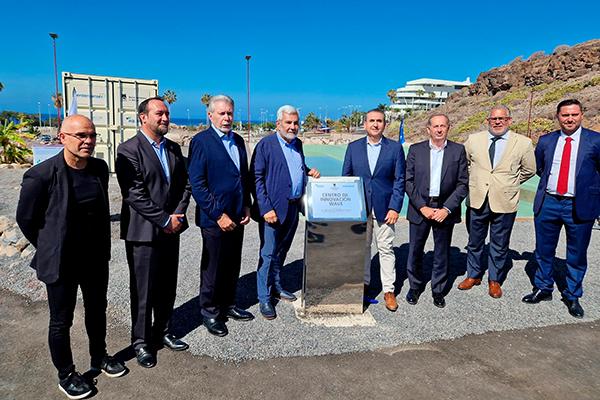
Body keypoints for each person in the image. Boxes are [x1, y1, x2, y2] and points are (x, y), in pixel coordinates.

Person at [16, 115, 125, 399]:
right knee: (61, 321)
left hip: (95, 259)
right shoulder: (41, 175)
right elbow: (26, 219)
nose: (88, 141)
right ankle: (66, 374)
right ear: (62, 138)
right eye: (81, 136)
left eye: (92, 135)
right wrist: (50, 246)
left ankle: (99, 356)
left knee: (97, 311)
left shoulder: (99, 169)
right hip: (62, 262)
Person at [115, 97, 191, 369]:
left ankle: (164, 331)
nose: (165, 118)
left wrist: (177, 215)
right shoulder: (128, 149)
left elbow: (185, 184)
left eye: (167, 113)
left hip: (171, 230)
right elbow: (134, 194)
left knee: (167, 285)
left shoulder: (172, 148)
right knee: (143, 290)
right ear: (143, 117)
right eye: (159, 113)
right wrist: (164, 219)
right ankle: (141, 342)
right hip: (143, 233)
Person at [522, 99, 600, 318]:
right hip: (549, 202)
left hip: (578, 203)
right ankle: (543, 287)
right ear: (558, 117)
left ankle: (572, 295)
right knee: (543, 249)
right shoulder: (546, 141)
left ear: (581, 115)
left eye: (574, 114)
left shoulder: (595, 140)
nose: (570, 119)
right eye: (565, 115)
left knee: (576, 253)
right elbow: (540, 167)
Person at [188, 94, 254, 337]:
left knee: (232, 263)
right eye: (222, 113)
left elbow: (242, 177)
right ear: (210, 115)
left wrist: (246, 205)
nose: (227, 118)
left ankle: (228, 304)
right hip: (215, 218)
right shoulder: (201, 142)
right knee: (213, 267)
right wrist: (218, 215)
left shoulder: (238, 140)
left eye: (230, 113)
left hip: (237, 214)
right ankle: (210, 311)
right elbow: (197, 184)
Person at [250, 105, 320, 319]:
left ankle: (277, 286)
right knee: (268, 254)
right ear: (278, 123)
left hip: (292, 207)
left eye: (296, 123)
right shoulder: (265, 145)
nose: (292, 127)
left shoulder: (297, 144)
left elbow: (295, 166)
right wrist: (266, 208)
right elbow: (256, 178)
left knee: (282, 251)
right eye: (288, 122)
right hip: (273, 211)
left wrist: (308, 171)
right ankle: (264, 297)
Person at [458, 105, 536, 298]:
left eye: (502, 118)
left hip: (505, 200)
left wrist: (509, 183)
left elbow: (529, 169)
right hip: (477, 199)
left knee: (499, 243)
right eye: (494, 119)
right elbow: (464, 164)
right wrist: (476, 179)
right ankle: (473, 275)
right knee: (474, 241)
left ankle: (495, 279)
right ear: (488, 121)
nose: (498, 122)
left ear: (509, 120)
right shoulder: (473, 140)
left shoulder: (523, 143)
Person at [342, 108, 405, 311]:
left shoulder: (395, 148)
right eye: (372, 121)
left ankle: (389, 290)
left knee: (386, 248)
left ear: (384, 124)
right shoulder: (353, 148)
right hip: (360, 208)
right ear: (365, 124)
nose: (375, 124)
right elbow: (346, 178)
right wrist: (350, 208)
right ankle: (363, 286)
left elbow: (399, 180)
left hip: (385, 208)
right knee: (362, 249)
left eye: (379, 121)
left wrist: (395, 207)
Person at [404, 114, 468, 308]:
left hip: (444, 209)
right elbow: (408, 181)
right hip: (420, 208)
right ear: (428, 129)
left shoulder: (458, 150)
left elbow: (463, 184)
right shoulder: (416, 150)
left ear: (448, 128)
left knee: (442, 252)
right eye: (435, 126)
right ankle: (415, 286)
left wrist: (447, 209)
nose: (439, 129)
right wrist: (422, 206)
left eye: (443, 126)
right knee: (415, 250)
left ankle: (438, 290)